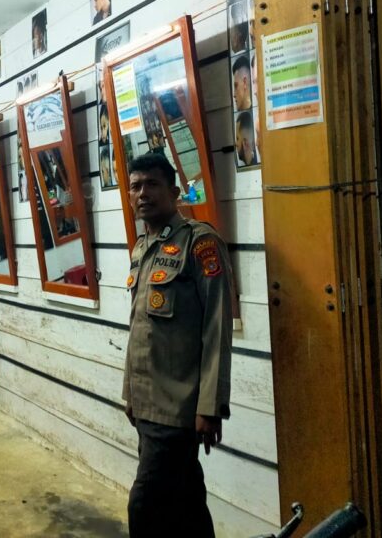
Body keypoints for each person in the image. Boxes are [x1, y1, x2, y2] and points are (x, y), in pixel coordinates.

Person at [122, 152, 233, 538]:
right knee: (185, 502)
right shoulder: (142, 248)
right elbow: (140, 330)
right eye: (136, 186)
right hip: (147, 405)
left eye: (152, 184)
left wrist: (210, 406)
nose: (143, 194)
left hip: (178, 407)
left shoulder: (200, 244)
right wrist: (130, 393)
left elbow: (216, 328)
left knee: (144, 506)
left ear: (174, 191)